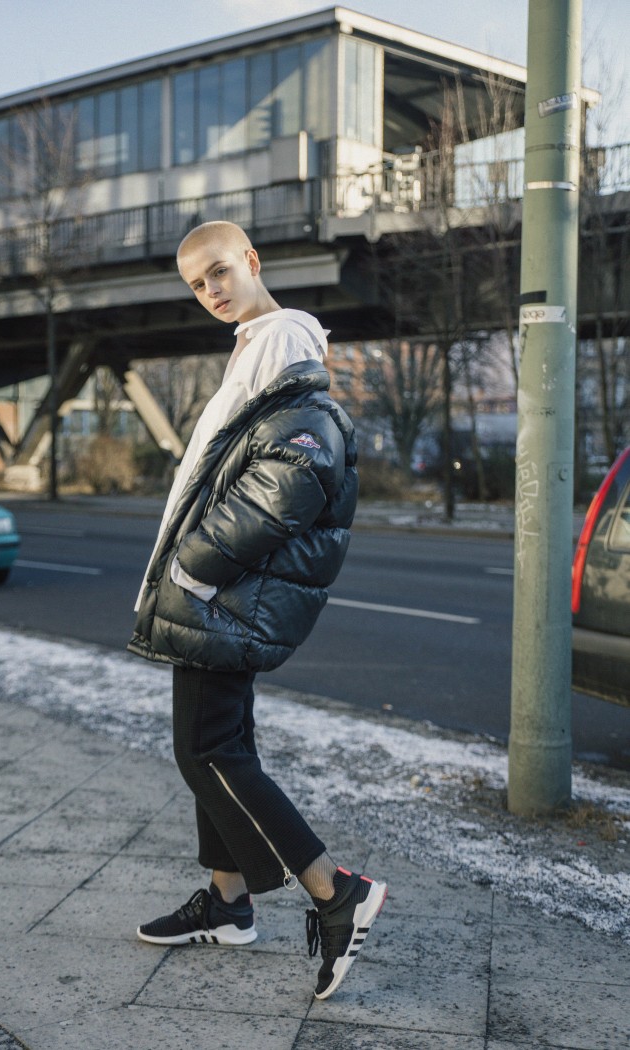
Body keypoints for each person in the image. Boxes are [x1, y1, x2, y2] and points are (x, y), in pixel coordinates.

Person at [127, 221, 386, 1001]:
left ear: (252, 261)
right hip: (222, 601)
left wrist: (192, 573)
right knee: (218, 746)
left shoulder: (281, 349)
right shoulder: (255, 350)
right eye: (196, 283)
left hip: (223, 600)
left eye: (219, 271)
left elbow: (278, 494)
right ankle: (229, 902)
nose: (210, 290)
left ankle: (335, 891)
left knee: (208, 753)